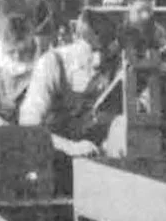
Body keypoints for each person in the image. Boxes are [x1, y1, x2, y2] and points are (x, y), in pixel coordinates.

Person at [19, 9, 122, 155]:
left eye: (104, 54)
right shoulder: (51, 64)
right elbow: (29, 126)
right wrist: (71, 147)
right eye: (92, 51)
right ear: (76, 42)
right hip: (51, 153)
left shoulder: (112, 65)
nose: (98, 61)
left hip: (92, 152)